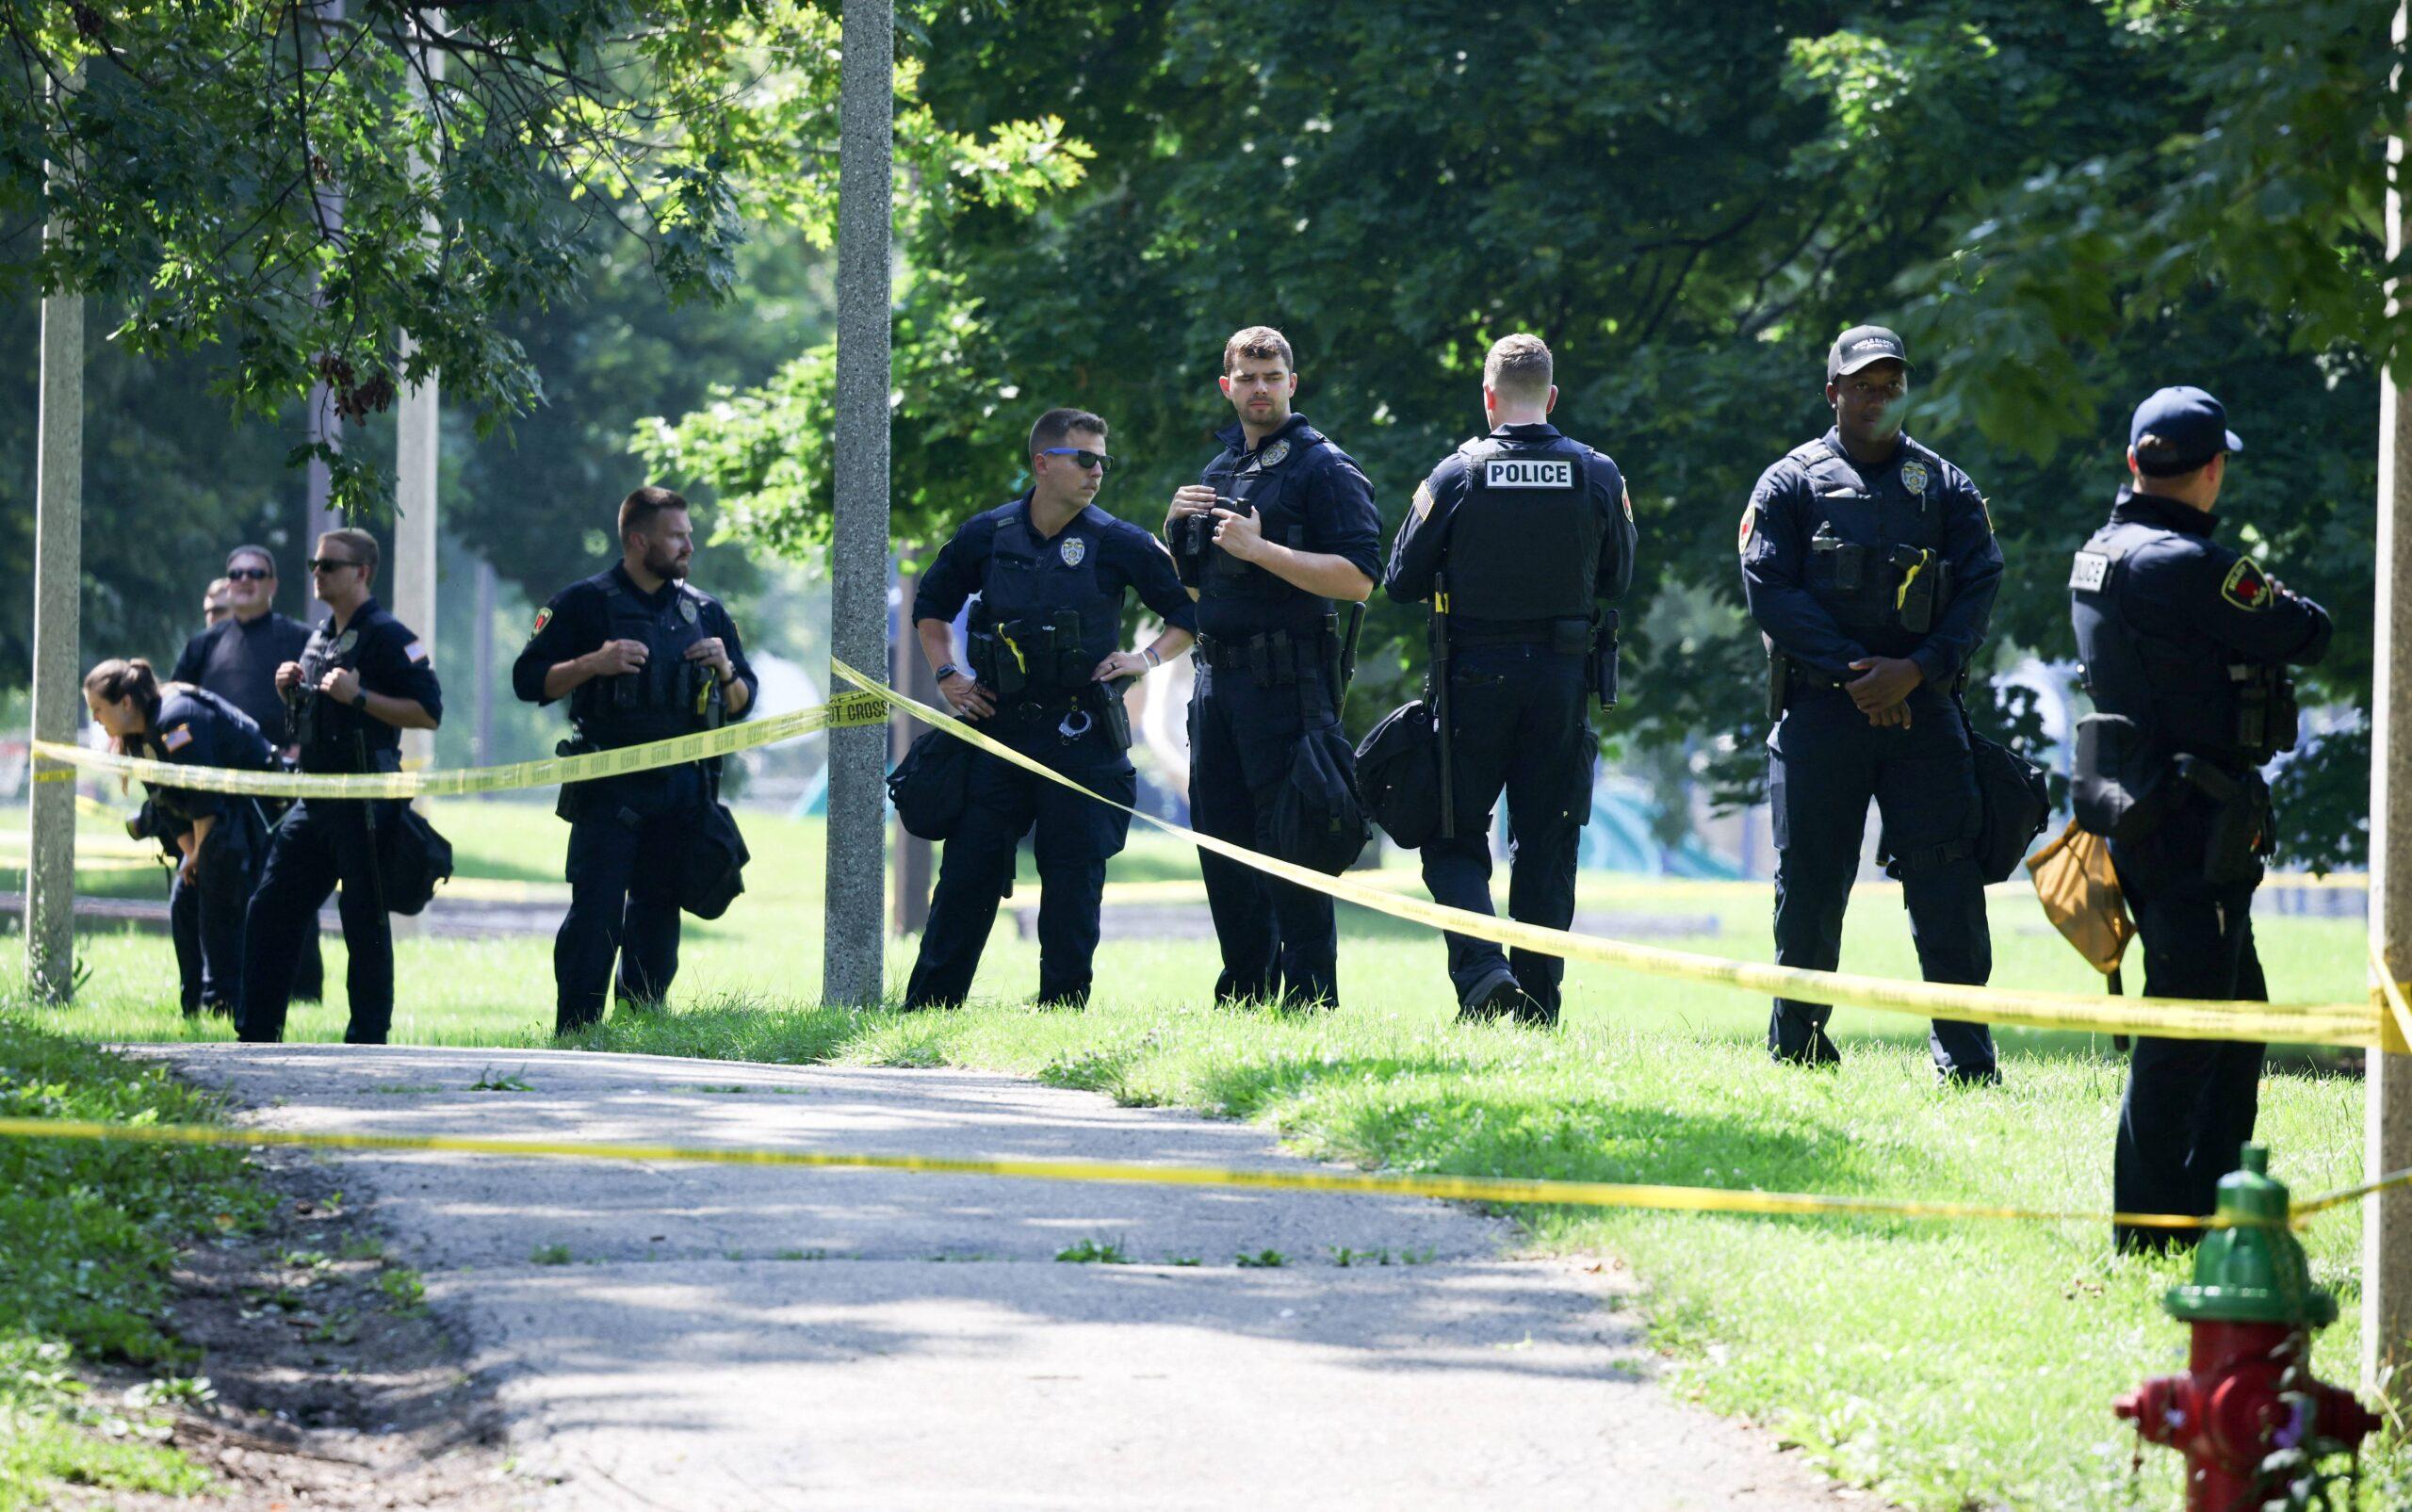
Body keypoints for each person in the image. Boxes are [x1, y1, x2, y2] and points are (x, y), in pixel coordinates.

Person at [2069, 386, 2332, 1251]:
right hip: (2195, 820)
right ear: (2212, 468)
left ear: (2135, 463)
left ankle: (2215, 1204)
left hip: (2142, 812)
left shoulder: (2100, 554)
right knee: (2188, 1028)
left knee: (2239, 1010)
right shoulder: (2190, 564)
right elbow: (2305, 631)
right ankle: (2152, 1231)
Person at [1738, 324, 2005, 1082]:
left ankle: (1966, 1057)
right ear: (1834, 393)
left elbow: (1981, 584)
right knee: (1813, 884)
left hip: (1925, 711)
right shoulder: (1788, 484)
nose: (1878, 398)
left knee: (1947, 883)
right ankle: (1798, 1045)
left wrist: (1916, 670)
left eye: (1891, 385)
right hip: (1823, 712)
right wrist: (1863, 674)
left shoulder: (1947, 487)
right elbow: (1771, 593)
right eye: (1863, 385)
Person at [904, 407, 1198, 1009]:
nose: (1097, 472)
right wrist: (947, 676)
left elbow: (1190, 616)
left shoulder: (1118, 541)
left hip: (1080, 734)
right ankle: (929, 1009)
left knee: (1073, 879)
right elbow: (930, 606)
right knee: (967, 874)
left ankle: (1060, 1013)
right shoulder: (986, 534)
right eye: (1084, 459)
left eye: (1103, 461)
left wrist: (1144, 660)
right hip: (998, 728)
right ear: (1043, 463)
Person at [1385, 334, 1636, 1025]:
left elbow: (1400, 581)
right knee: (1548, 843)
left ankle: (1484, 972)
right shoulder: (1598, 474)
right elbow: (1619, 578)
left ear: (1489, 397)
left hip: (1473, 680)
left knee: (1453, 833)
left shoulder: (1456, 475)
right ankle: (1538, 1007)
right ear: (1551, 397)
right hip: (1562, 680)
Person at [1162, 326, 1379, 1009]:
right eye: (1247, 378)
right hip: (1217, 685)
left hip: (1288, 686)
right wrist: (1175, 535)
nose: (1260, 388)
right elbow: (1200, 591)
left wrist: (1263, 551)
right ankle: (1245, 993)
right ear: (1227, 387)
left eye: (1272, 376)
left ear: (1292, 383)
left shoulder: (1324, 468)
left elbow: (1359, 579)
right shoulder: (1221, 471)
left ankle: (1310, 998)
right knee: (1222, 846)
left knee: (1296, 841)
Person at [513, 486, 758, 1034]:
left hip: (681, 796)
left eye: (688, 535)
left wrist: (724, 669)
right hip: (609, 791)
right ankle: (575, 1034)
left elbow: (743, 703)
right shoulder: (584, 602)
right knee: (595, 918)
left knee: (657, 921)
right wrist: (592, 663)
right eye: (676, 536)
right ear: (637, 539)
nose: (688, 546)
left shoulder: (705, 611)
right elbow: (528, 680)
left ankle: (641, 1032)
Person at [236, 528, 442, 1045]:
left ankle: (367, 1035)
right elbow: (315, 712)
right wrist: (291, 690)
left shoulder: (392, 637)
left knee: (363, 917)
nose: (318, 573)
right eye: (315, 563)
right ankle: (257, 1032)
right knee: (271, 906)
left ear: (362, 573)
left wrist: (360, 697)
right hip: (316, 796)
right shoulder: (320, 635)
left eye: (329, 565)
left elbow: (428, 712)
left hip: (365, 798)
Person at [173, 545, 325, 1002]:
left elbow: (317, 702)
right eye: (236, 573)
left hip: (281, 786)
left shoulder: (300, 637)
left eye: (255, 573)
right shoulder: (206, 644)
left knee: (289, 886)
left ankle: (302, 990)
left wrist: (302, 746)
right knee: (209, 892)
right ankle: (213, 992)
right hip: (218, 792)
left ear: (272, 584)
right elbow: (173, 703)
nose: (244, 580)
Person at [84, 658, 276, 1016]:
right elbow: (165, 804)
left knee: (217, 899)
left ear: (125, 702)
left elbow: (206, 800)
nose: (96, 719)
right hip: (216, 823)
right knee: (185, 899)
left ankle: (223, 1003)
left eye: (98, 709)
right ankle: (192, 1005)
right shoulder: (139, 739)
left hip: (253, 813)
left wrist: (200, 854)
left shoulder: (175, 720)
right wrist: (190, 855)